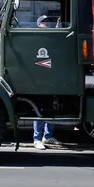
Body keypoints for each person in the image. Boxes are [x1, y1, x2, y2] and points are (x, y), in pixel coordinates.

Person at [33, 15, 58, 150]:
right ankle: (37, 138)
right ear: (38, 25)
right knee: (39, 110)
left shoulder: (50, 37)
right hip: (40, 80)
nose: (46, 24)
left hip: (50, 79)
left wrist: (57, 29)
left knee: (51, 109)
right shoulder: (37, 39)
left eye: (47, 22)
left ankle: (47, 136)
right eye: (43, 22)